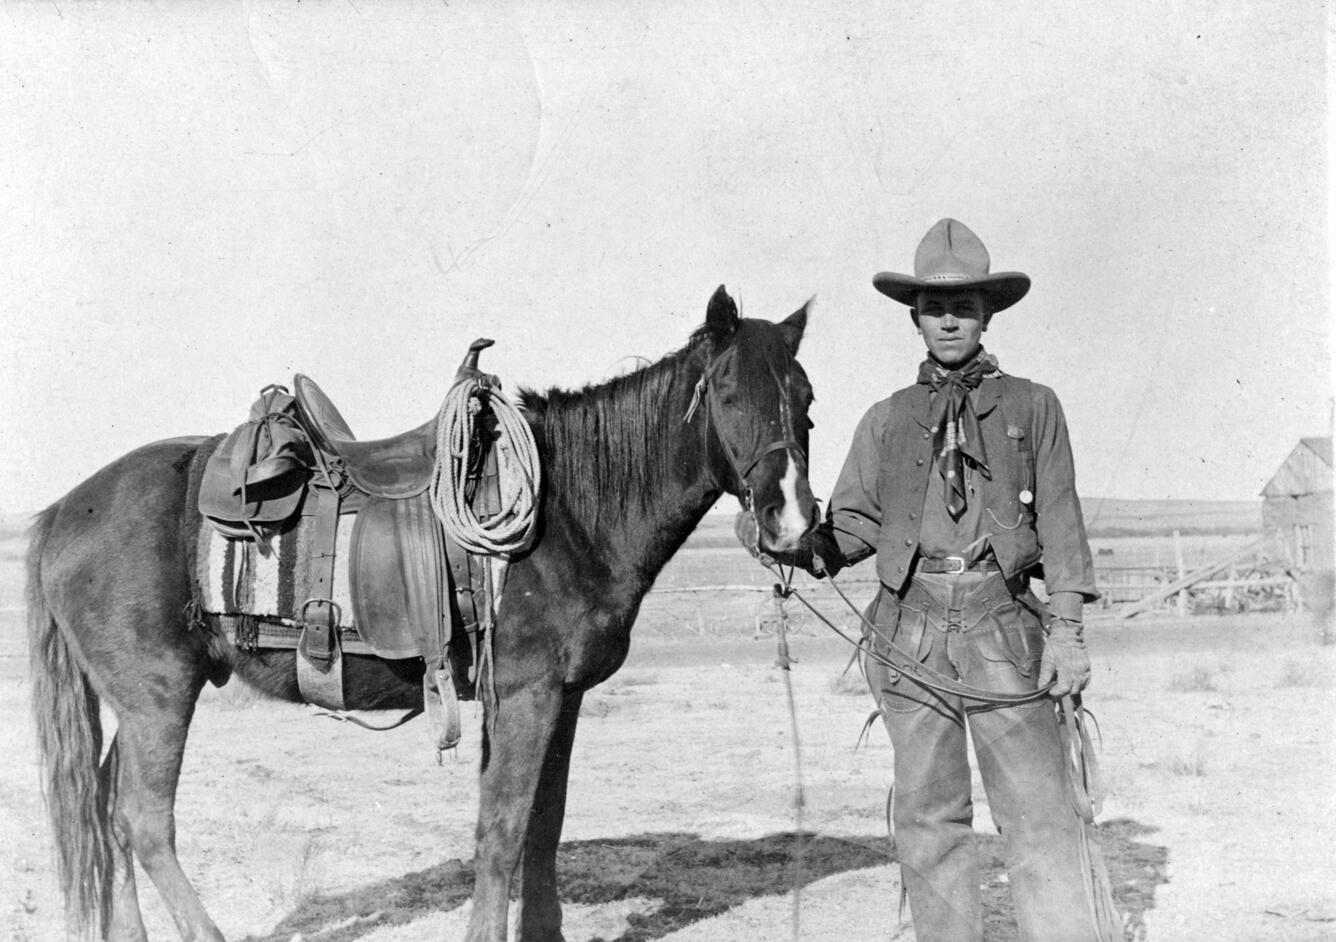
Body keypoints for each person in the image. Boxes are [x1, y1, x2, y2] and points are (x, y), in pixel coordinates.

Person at [743, 219, 1118, 941]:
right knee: (927, 818)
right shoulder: (887, 420)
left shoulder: (1033, 407)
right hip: (907, 637)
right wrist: (786, 545)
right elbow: (848, 532)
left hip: (1004, 632)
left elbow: (1064, 528)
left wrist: (1067, 630)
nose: (949, 320)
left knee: (1040, 814)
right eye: (935, 308)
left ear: (987, 313)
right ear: (914, 318)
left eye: (965, 307)